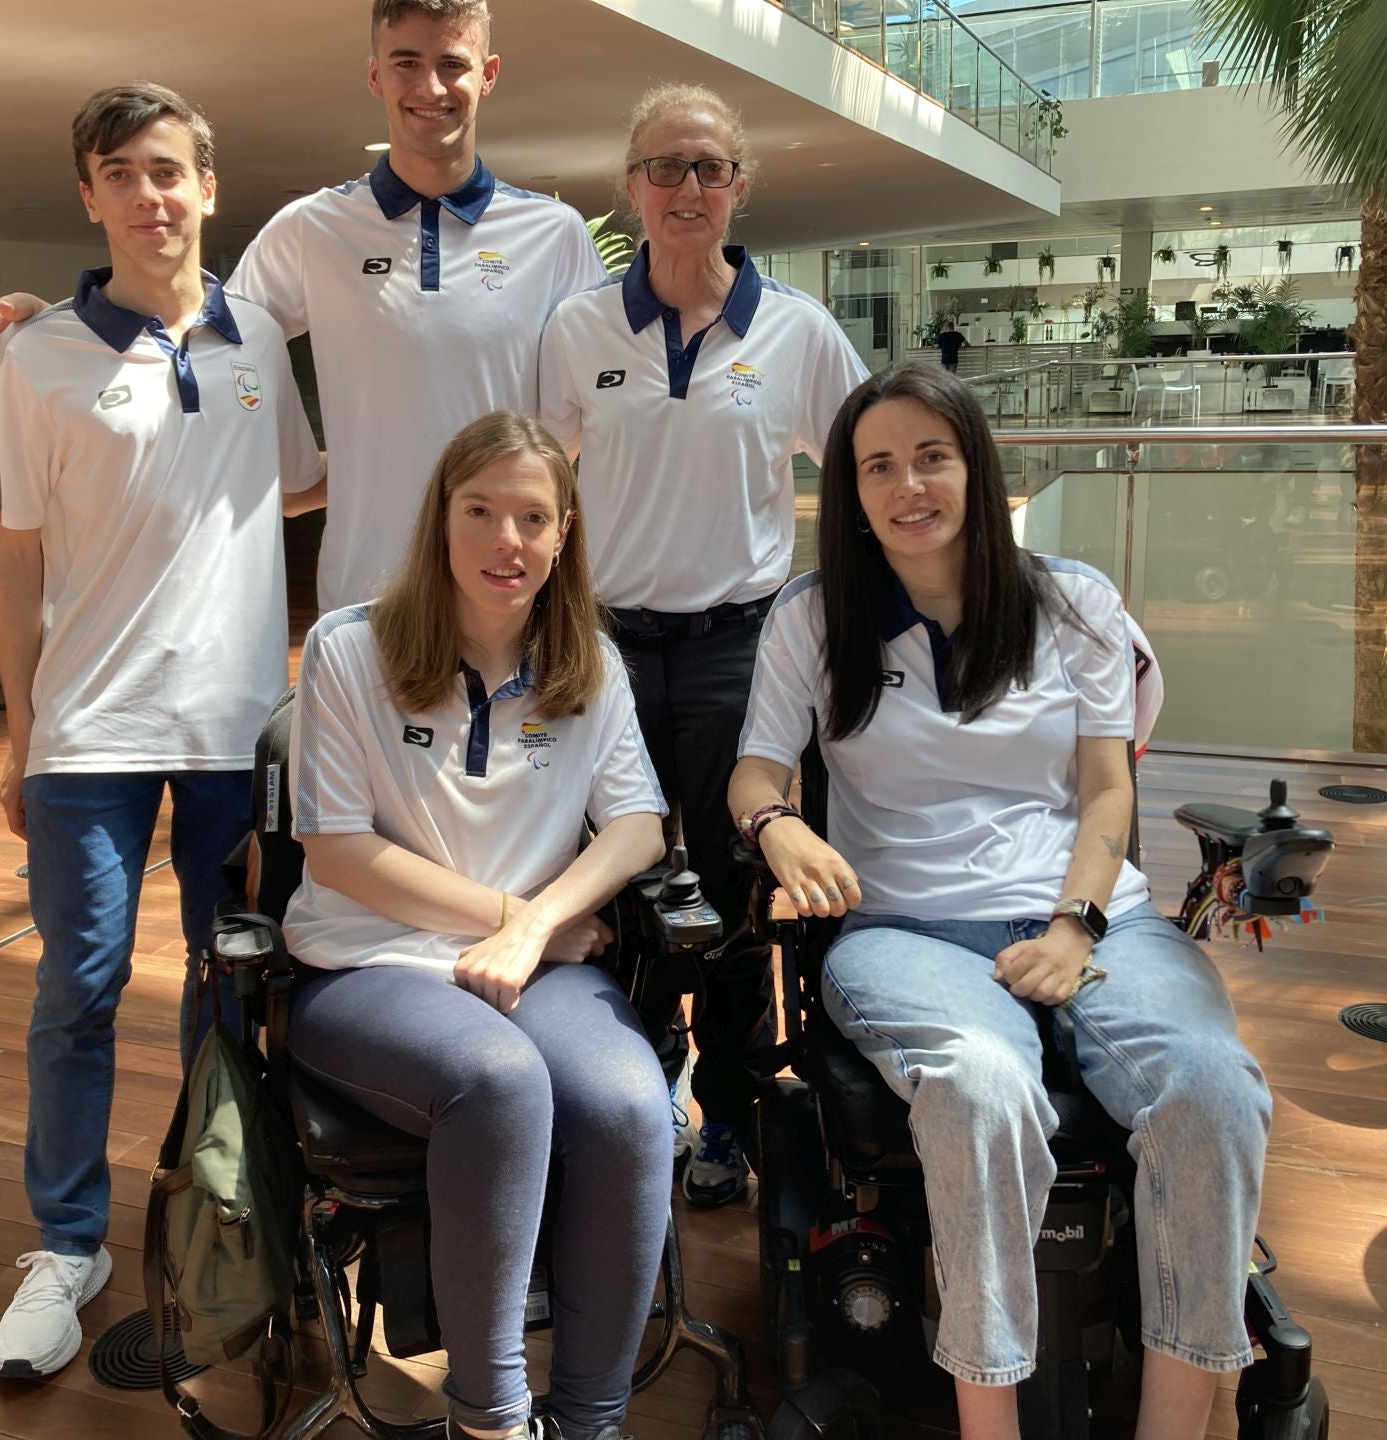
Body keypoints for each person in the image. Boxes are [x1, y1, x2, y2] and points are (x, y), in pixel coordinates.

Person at [728, 360, 1271, 1440]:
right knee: (980, 1091)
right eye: (878, 465)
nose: (907, 485)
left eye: (932, 456)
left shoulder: (1073, 601)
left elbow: (1108, 785)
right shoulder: (813, 615)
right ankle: (992, 1423)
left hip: (1088, 910)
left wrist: (1078, 926)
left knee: (1214, 1087)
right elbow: (754, 771)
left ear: (976, 465)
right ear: (850, 490)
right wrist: (778, 825)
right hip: (905, 928)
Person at [0, 83, 324, 1380]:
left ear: (209, 188)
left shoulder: (258, 338)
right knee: (80, 987)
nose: (149, 195)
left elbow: (307, 485)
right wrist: (18, 732)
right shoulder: (32, 355)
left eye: (169, 171)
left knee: (230, 975)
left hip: (235, 729)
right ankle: (67, 1248)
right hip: (88, 731)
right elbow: (12, 558)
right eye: (121, 173)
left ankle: (208, 1201)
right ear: (90, 195)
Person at [281, 410, 669, 1440]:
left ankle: (589, 1422)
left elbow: (637, 826)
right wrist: (516, 916)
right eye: (481, 511)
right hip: (368, 965)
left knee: (632, 1109)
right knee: (499, 1083)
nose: (508, 540)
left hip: (538, 966)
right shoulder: (349, 648)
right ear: (440, 520)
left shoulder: (589, 663)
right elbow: (336, 851)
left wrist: (536, 927)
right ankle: (490, 1421)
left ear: (564, 533)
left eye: (533, 518)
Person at [0, 0, 606, 611]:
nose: (430, 87)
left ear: (488, 74)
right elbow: (195, 332)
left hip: (513, 590)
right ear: (374, 73)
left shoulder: (554, 235)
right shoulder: (311, 229)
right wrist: (65, 323)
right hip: (368, 593)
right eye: (406, 62)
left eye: (453, 64)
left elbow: (596, 399)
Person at [538, 82, 867, 1207]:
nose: (688, 188)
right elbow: (538, 488)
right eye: (667, 168)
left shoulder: (798, 330)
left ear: (737, 187)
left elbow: (871, 478)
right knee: (617, 879)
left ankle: (724, 1114)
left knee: (731, 894)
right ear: (631, 188)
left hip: (742, 651)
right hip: (611, 653)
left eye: (710, 168)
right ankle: (629, 1099)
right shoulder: (580, 329)